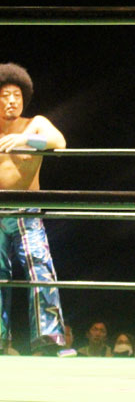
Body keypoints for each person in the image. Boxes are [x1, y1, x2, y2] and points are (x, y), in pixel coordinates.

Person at [0, 63, 67, 356]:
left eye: (16, 95)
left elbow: (59, 143)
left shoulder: (35, 124)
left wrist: (27, 140)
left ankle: (48, 340)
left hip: (27, 208)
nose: (11, 101)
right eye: (5, 95)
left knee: (40, 267)